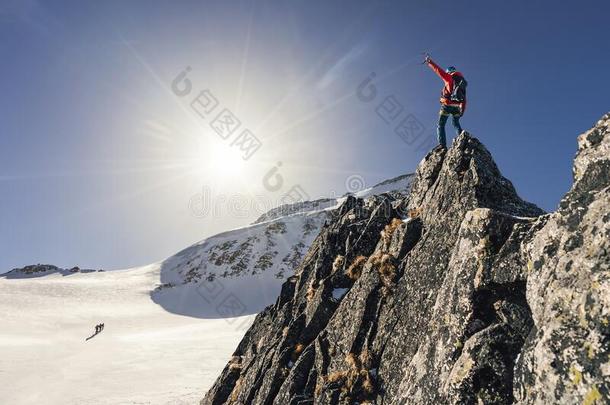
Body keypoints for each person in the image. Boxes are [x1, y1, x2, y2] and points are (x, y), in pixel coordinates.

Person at [424, 55, 467, 149]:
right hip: (457, 106)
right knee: (455, 123)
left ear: (449, 72)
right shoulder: (462, 82)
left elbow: (438, 71)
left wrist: (429, 62)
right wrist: (461, 112)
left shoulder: (449, 78)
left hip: (447, 105)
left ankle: (442, 145)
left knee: (440, 125)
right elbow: (464, 99)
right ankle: (462, 138)